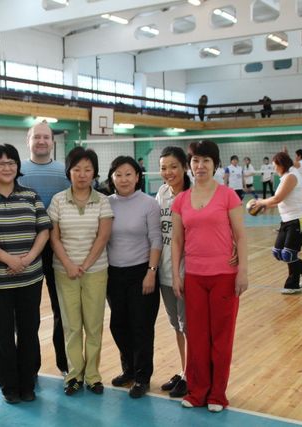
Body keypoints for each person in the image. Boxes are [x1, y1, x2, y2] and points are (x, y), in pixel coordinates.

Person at [0, 144, 52, 404]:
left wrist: (27, 259)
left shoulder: (31, 195)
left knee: (29, 332)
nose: (7, 167)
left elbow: (43, 230)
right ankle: (9, 387)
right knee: (2, 336)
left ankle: (28, 384)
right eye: (1, 163)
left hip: (30, 278)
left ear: (18, 166)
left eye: (11, 162)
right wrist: (10, 260)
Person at [171, 139, 248, 413]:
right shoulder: (181, 200)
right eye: (195, 160)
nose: (200, 165)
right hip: (194, 277)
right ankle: (197, 391)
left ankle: (217, 394)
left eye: (206, 160)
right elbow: (177, 241)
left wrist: (242, 271)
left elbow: (240, 236)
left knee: (221, 338)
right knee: (198, 338)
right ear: (189, 165)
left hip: (224, 276)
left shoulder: (228, 196)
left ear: (215, 164)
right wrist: (176, 275)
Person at [47, 147, 113, 396]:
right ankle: (74, 375)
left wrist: (85, 265)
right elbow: (54, 238)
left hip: (96, 271)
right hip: (64, 272)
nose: (82, 174)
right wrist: (68, 264)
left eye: (88, 169)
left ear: (94, 172)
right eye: (77, 169)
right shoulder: (58, 200)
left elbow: (103, 237)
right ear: (69, 172)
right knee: (72, 326)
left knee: (93, 326)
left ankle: (93, 376)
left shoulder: (103, 201)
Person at [106, 156, 162, 399]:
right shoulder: (106, 203)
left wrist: (151, 271)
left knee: (141, 327)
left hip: (142, 272)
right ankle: (128, 370)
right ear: (112, 178)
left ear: (137, 177)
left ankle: (142, 377)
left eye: (128, 174)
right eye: (118, 174)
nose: (124, 179)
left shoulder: (149, 203)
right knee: (118, 325)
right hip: (113, 274)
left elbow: (156, 239)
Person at [18, 121, 70, 378]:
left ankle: (65, 364)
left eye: (45, 137)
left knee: (61, 310)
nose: (41, 141)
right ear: (28, 140)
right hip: (26, 250)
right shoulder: (17, 171)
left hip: (59, 249)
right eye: (36, 136)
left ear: (52, 142)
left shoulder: (64, 172)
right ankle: (29, 367)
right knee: (27, 313)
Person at [156, 147, 191, 398]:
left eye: (173, 166)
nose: (168, 172)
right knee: (176, 326)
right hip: (165, 272)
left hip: (187, 272)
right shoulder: (162, 193)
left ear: (184, 167)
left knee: (188, 326)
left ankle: (192, 374)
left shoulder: (193, 194)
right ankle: (184, 370)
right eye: (163, 167)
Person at [254, 152, 302, 295]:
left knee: (288, 253)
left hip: (300, 220)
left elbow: (277, 198)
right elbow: (280, 200)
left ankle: (293, 285)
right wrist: (265, 206)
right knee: (278, 252)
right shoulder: (286, 177)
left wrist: (261, 202)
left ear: (282, 165)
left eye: (275, 166)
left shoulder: (291, 176)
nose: (274, 169)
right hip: (287, 220)